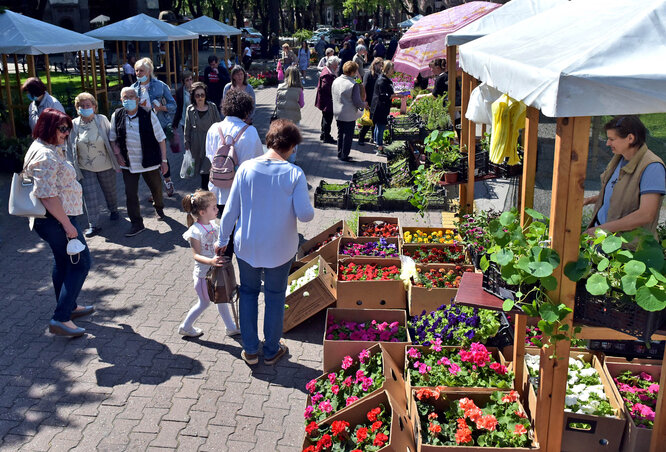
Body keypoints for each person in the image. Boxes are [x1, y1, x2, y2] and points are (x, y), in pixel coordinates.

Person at [216, 119, 314, 366]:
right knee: (274, 296)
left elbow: (230, 211)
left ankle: (250, 350)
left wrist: (221, 240)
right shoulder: (294, 174)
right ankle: (271, 349)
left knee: (248, 293)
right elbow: (305, 215)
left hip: (247, 245)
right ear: (291, 146)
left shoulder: (246, 168)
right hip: (280, 248)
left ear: (269, 141)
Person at [24, 108, 93, 337]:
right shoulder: (45, 154)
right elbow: (47, 195)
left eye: (67, 129)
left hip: (56, 219)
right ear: (47, 127)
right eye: (62, 129)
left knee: (64, 262)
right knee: (81, 263)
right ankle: (60, 318)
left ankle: (68, 307)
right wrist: (68, 225)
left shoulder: (48, 147)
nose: (66, 133)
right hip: (56, 220)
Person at [584, 116, 666, 238]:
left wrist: (600, 229)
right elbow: (619, 194)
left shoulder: (652, 167)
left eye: (612, 139)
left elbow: (646, 214)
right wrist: (589, 200)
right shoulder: (620, 157)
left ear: (630, 138)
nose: (607, 143)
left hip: (626, 247)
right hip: (602, 237)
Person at [205, 90, 263, 255]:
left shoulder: (214, 129)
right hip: (242, 191)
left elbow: (210, 156)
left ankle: (225, 266)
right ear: (246, 110)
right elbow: (257, 163)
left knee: (224, 224)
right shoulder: (250, 132)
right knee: (242, 225)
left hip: (218, 188)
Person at [178, 190, 240, 338]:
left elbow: (217, 243)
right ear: (202, 212)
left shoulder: (213, 225)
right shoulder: (195, 231)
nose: (217, 209)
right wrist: (212, 261)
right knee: (204, 303)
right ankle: (185, 326)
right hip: (203, 277)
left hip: (214, 274)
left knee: (221, 300)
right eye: (213, 207)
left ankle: (231, 328)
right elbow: (196, 255)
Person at [109, 87, 168, 237]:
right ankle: (136, 223)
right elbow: (113, 139)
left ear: (137, 99)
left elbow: (161, 138)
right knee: (130, 193)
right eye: (125, 98)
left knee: (156, 188)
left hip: (149, 161)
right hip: (128, 162)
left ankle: (159, 206)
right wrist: (117, 155)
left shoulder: (148, 114)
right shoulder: (117, 115)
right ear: (121, 101)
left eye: (131, 96)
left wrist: (164, 160)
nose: (128, 100)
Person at [69, 92, 120, 238]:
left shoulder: (102, 120)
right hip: (85, 167)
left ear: (94, 107)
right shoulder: (74, 124)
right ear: (77, 108)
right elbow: (70, 144)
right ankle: (94, 224)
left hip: (105, 164)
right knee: (89, 196)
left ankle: (113, 209)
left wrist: (118, 155)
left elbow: (112, 137)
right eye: (81, 106)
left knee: (109, 191)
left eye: (88, 105)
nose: (85, 108)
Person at [131, 58, 177, 197]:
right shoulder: (133, 88)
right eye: (137, 70)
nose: (138, 73)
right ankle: (155, 188)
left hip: (159, 125)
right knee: (149, 155)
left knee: (159, 153)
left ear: (149, 71)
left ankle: (167, 180)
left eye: (141, 70)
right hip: (142, 126)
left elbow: (173, 106)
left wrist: (162, 107)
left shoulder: (160, 86)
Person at [184, 82, 221, 190]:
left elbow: (219, 125)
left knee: (206, 170)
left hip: (210, 142)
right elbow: (187, 128)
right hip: (196, 143)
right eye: (197, 95)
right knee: (199, 169)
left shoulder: (212, 107)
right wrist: (186, 143)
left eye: (202, 95)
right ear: (193, 97)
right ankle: (205, 193)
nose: (200, 98)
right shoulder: (190, 109)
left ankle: (206, 192)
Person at [332, 61, 367, 162]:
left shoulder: (336, 80)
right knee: (348, 135)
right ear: (352, 72)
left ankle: (340, 153)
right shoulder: (353, 84)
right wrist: (364, 104)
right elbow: (357, 102)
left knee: (340, 133)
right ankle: (345, 155)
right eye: (356, 71)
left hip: (337, 111)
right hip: (349, 113)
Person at [274, 67, 305, 163]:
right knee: (293, 139)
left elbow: (276, 102)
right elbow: (302, 104)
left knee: (282, 138)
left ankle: (281, 157)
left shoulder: (280, 87)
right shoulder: (299, 90)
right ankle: (292, 160)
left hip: (281, 117)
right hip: (294, 118)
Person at [371, 60, 402, 154]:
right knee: (380, 126)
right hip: (380, 107)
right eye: (392, 69)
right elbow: (383, 95)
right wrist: (396, 96)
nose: (394, 70)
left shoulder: (385, 79)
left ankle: (378, 145)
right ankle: (379, 148)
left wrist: (396, 94)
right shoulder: (382, 80)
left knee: (378, 126)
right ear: (387, 69)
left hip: (381, 106)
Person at [358, 57, 383, 146]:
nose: (381, 67)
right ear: (375, 64)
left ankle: (373, 138)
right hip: (369, 100)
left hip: (376, 101)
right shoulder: (368, 74)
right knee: (368, 121)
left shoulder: (379, 74)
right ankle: (361, 138)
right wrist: (365, 101)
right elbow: (364, 88)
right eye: (380, 65)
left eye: (381, 65)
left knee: (374, 120)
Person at [315, 56, 339, 144]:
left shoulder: (327, 70)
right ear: (331, 64)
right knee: (327, 119)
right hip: (327, 100)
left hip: (325, 99)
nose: (337, 66)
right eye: (336, 65)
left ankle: (323, 134)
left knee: (325, 118)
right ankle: (326, 136)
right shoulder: (327, 74)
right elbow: (325, 87)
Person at [173, 71, 194, 155]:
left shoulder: (196, 89)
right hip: (184, 120)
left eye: (191, 79)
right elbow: (179, 108)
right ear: (183, 82)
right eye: (187, 80)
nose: (190, 82)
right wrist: (175, 124)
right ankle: (190, 158)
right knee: (187, 140)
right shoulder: (179, 91)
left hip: (196, 119)